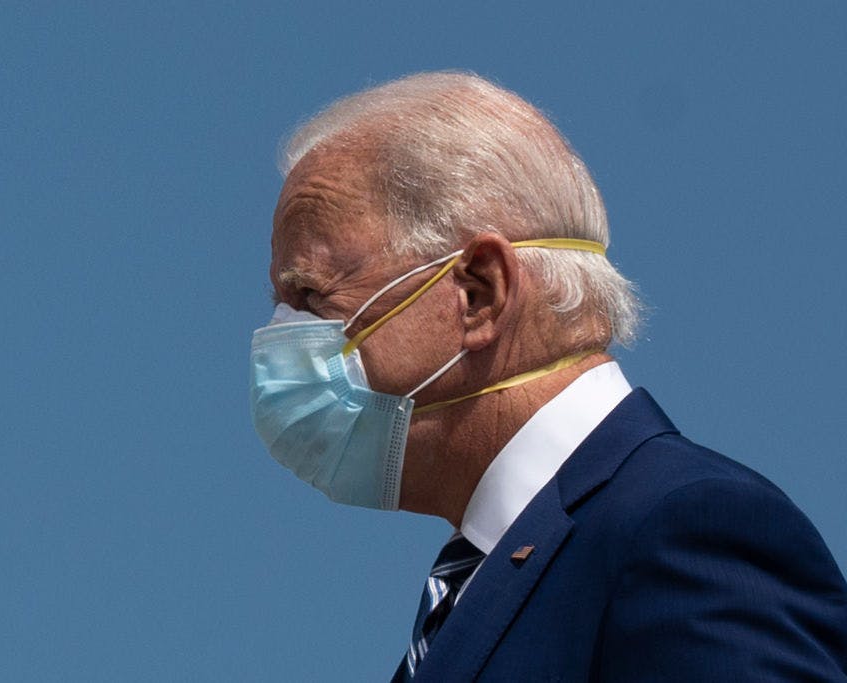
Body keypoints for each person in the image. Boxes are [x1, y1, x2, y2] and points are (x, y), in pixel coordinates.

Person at [249, 72, 847, 681]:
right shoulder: (481, 587)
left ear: (479, 293)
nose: (280, 334)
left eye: (310, 296)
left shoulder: (683, 528)